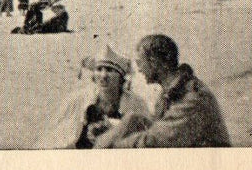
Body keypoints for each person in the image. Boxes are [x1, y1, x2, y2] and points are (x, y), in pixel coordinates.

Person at [95, 34, 231, 148]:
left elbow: (154, 141)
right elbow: (157, 126)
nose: (139, 69)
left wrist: (115, 147)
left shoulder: (192, 98)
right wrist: (111, 132)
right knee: (133, 119)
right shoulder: (171, 91)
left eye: (140, 62)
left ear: (154, 62)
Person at [36, 44, 151, 149]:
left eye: (110, 70)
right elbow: (58, 139)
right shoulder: (79, 100)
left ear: (121, 78)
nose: (103, 76)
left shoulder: (136, 103)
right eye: (99, 69)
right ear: (93, 76)